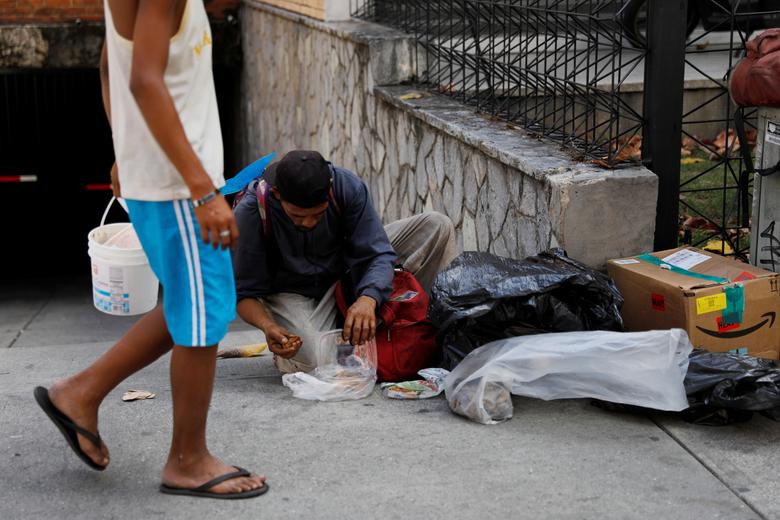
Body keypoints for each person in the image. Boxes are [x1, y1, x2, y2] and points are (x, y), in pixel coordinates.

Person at [33, 0, 267, 499]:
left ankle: (79, 393)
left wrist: (125, 147)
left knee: (193, 304)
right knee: (204, 319)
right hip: (177, 187)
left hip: (159, 177)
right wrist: (203, 191)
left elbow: (108, 64)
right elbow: (142, 79)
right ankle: (188, 460)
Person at [233, 150, 457, 373]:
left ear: (329, 188)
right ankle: (305, 350)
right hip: (292, 292)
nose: (309, 223)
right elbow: (244, 294)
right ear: (277, 195)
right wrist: (268, 326)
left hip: (346, 270)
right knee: (315, 361)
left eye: (318, 215)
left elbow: (378, 253)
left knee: (437, 226)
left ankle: (422, 326)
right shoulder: (251, 212)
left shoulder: (346, 187)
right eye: (298, 217)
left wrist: (368, 299)